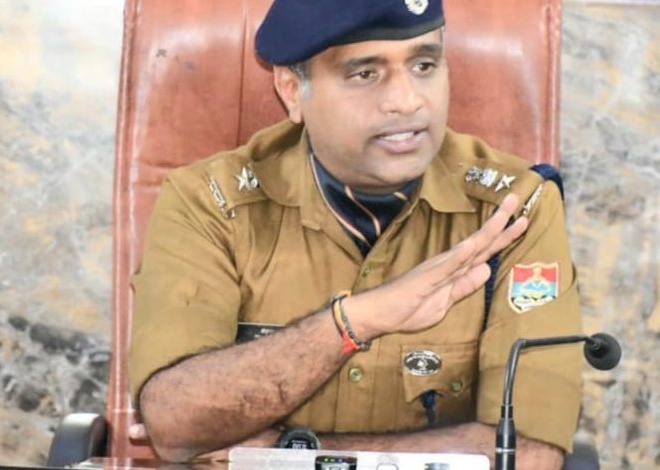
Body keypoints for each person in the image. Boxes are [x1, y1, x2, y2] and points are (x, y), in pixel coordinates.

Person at [128, 1, 582, 468]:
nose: (407, 100)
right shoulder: (210, 203)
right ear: (291, 90)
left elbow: (530, 454)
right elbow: (172, 422)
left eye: (424, 66)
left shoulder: (513, 209)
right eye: (365, 74)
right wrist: (354, 322)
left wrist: (294, 454)